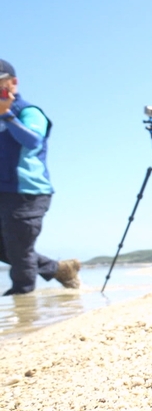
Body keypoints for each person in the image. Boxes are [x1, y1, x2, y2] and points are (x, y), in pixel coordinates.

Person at [0, 59, 79, 295]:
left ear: (13, 83)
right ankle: (59, 269)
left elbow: (34, 140)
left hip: (27, 192)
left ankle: (24, 315)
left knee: (19, 249)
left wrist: (7, 115)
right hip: (3, 190)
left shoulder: (28, 112)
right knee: (14, 249)